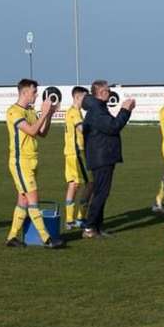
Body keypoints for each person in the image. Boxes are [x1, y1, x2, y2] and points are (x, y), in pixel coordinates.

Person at [4, 79, 63, 248]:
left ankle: (11, 237)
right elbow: (31, 130)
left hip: (32, 161)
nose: (36, 95)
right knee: (33, 199)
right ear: (24, 92)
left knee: (23, 200)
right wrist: (44, 113)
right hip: (20, 162)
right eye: (34, 92)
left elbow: (42, 132)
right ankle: (47, 239)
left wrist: (49, 114)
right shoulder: (13, 112)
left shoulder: (29, 111)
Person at [81, 80, 136, 238]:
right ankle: (90, 227)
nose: (109, 92)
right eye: (106, 90)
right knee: (101, 193)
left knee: (101, 192)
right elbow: (113, 127)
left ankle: (97, 227)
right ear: (98, 92)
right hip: (101, 157)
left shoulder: (98, 107)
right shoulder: (97, 110)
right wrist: (125, 110)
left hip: (103, 155)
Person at [64, 86, 93, 230]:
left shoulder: (72, 112)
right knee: (90, 183)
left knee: (73, 184)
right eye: (85, 98)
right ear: (77, 97)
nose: (86, 101)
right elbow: (82, 129)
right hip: (77, 153)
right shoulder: (75, 113)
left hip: (70, 152)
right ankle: (80, 218)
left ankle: (70, 219)